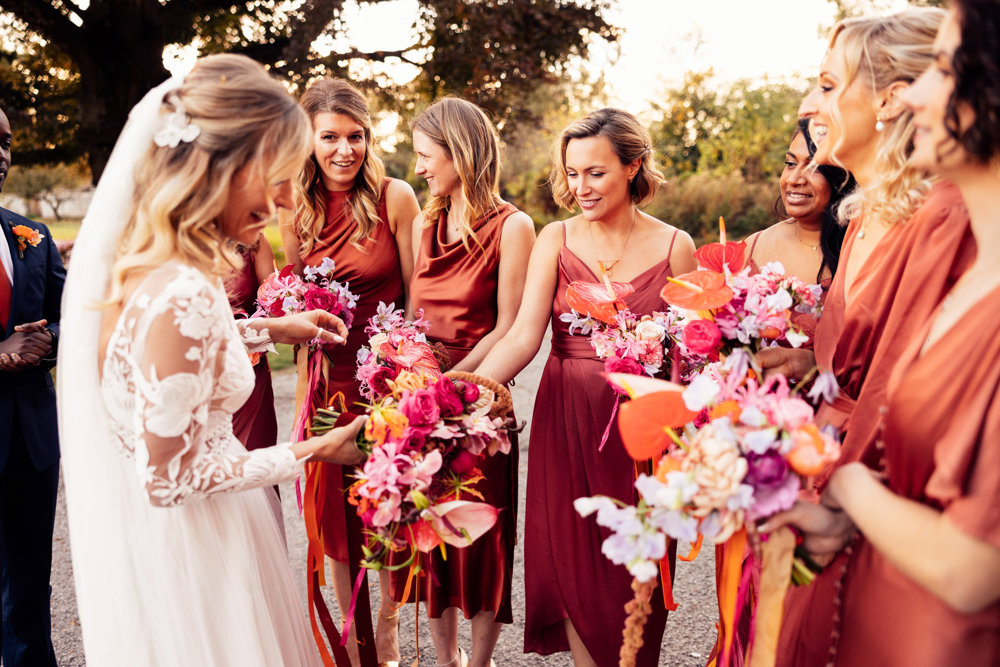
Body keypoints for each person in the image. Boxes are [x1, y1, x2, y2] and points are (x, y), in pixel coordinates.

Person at [57, 54, 369, 666]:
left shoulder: (143, 269)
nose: (285, 200)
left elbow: (162, 361)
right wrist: (313, 452)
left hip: (160, 544)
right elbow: (169, 478)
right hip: (202, 547)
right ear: (223, 166)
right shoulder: (184, 290)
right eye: (276, 175)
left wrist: (269, 327)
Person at [764, 2, 1000, 662]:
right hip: (862, 511)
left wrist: (841, 479)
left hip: (926, 590)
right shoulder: (864, 215)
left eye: (831, 84)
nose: (812, 103)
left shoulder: (946, 221)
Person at [476, 108, 697, 667]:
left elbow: (694, 361)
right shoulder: (556, 237)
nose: (580, 188)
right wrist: (462, 392)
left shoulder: (677, 247)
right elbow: (524, 335)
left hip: (641, 433)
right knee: (573, 559)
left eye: (594, 173)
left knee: (638, 569)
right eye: (572, 174)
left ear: (632, 166)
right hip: (566, 420)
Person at [280, 77, 420, 667]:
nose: (345, 149)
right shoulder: (294, 207)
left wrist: (406, 370)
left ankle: (387, 631)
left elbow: (418, 297)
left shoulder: (396, 198)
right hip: (324, 379)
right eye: (330, 136)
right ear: (307, 139)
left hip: (385, 377)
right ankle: (353, 638)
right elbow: (289, 302)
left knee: (391, 506)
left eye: (356, 136)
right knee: (334, 518)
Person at [391, 97, 534, 667]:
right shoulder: (425, 223)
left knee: (482, 536)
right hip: (423, 401)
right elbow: (409, 313)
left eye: (428, 155)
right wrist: (406, 371)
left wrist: (453, 386)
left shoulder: (513, 225)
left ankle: (478, 663)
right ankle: (444, 660)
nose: (420, 167)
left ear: (461, 152)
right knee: (432, 533)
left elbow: (508, 326)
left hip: (478, 399)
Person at [0, 104, 65, 667]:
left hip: (31, 444)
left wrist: (50, 341)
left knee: (29, 590)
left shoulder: (33, 237)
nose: (0, 155)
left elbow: (75, 319)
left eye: (5, 142)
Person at [226, 232, 278, 454]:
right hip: (199, 378)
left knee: (256, 454)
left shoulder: (253, 241)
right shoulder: (176, 245)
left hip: (250, 374)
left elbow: (274, 309)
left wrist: (248, 327)